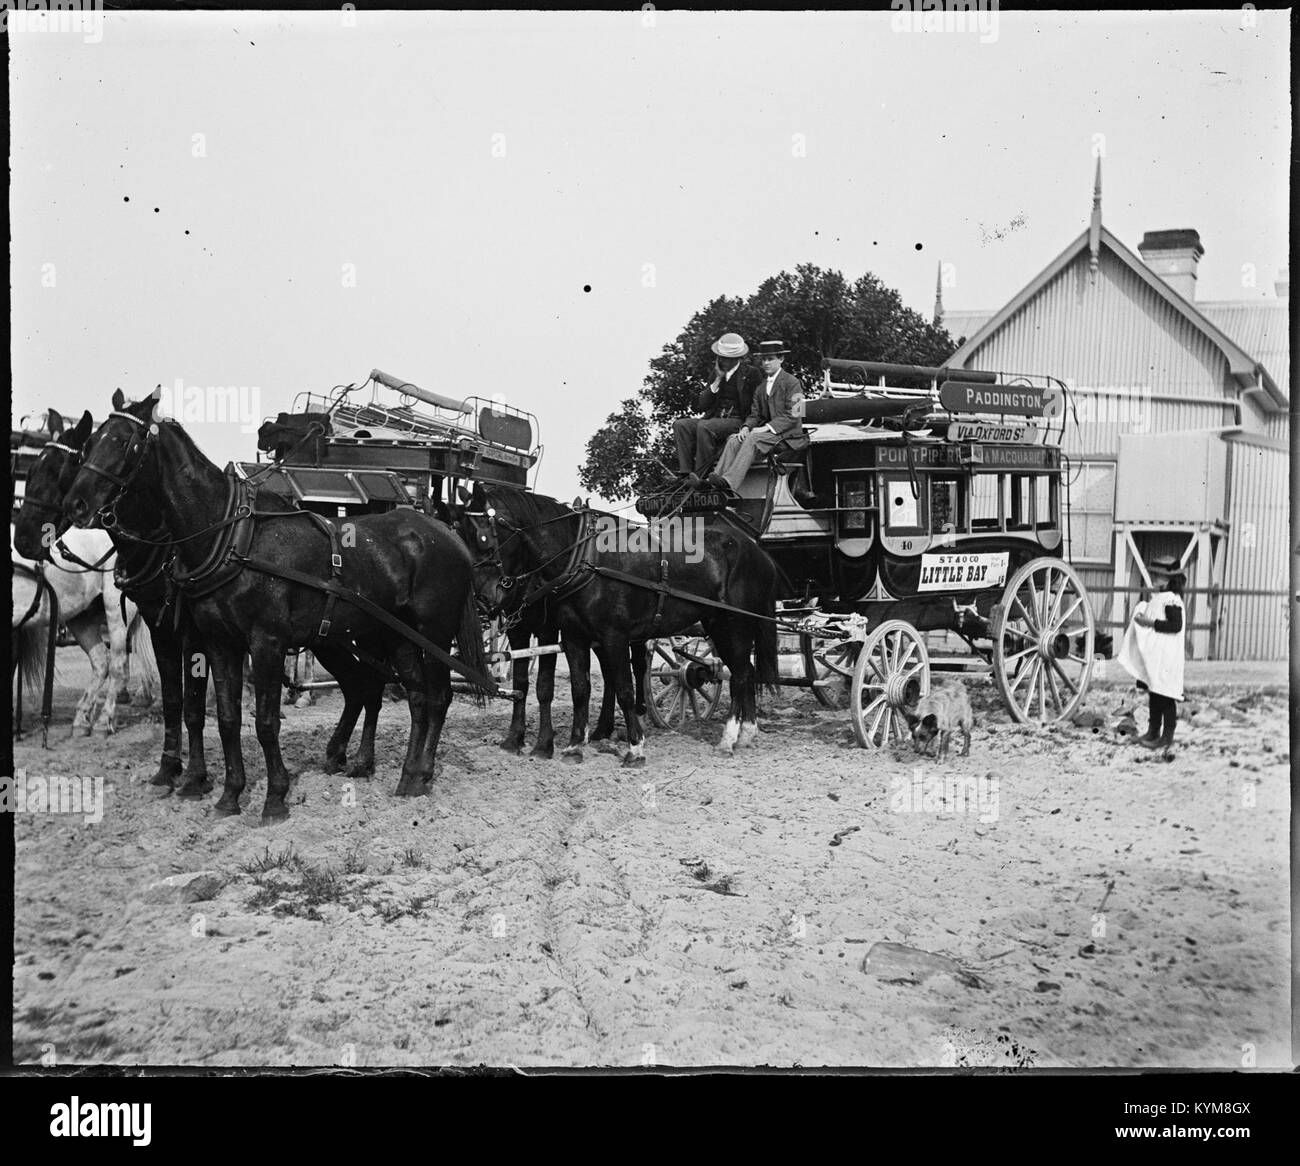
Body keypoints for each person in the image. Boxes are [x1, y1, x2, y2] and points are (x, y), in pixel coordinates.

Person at [707, 340, 804, 493]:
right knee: (734, 439)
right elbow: (755, 414)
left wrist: (766, 428)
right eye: (763, 359)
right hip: (768, 436)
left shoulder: (793, 383)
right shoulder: (760, 387)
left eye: (770, 359)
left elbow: (796, 415)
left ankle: (729, 483)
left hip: (789, 437)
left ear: (781, 359)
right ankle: (714, 482)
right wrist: (745, 428)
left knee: (753, 438)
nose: (766, 363)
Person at [1118, 555, 1186, 750]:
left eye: (1158, 576)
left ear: (1168, 579)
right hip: (1158, 656)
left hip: (1167, 657)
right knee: (1155, 694)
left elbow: (1175, 625)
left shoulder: (1172, 600)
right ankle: (1153, 730)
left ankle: (1167, 736)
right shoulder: (1161, 599)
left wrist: (1150, 623)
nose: (1155, 578)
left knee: (1166, 697)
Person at [671, 333, 762, 478]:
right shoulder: (716, 374)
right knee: (681, 425)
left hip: (737, 419)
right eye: (720, 356)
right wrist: (718, 380)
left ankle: (701, 475)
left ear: (736, 358)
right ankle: (685, 473)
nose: (721, 360)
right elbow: (702, 405)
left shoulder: (751, 373)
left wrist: (747, 426)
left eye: (725, 357)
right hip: (715, 418)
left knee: (705, 427)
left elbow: (757, 406)